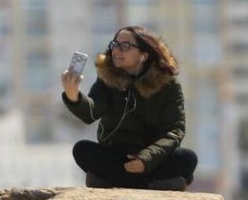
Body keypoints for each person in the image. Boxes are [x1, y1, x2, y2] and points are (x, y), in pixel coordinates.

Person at [61, 26, 197, 190]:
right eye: (114, 45)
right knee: (82, 149)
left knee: (188, 159)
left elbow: (175, 131)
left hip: (152, 158)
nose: (116, 51)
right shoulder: (107, 80)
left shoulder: (168, 85)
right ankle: (153, 185)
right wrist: (72, 95)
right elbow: (90, 113)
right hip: (117, 156)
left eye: (125, 46)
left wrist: (145, 160)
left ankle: (111, 181)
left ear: (143, 54)